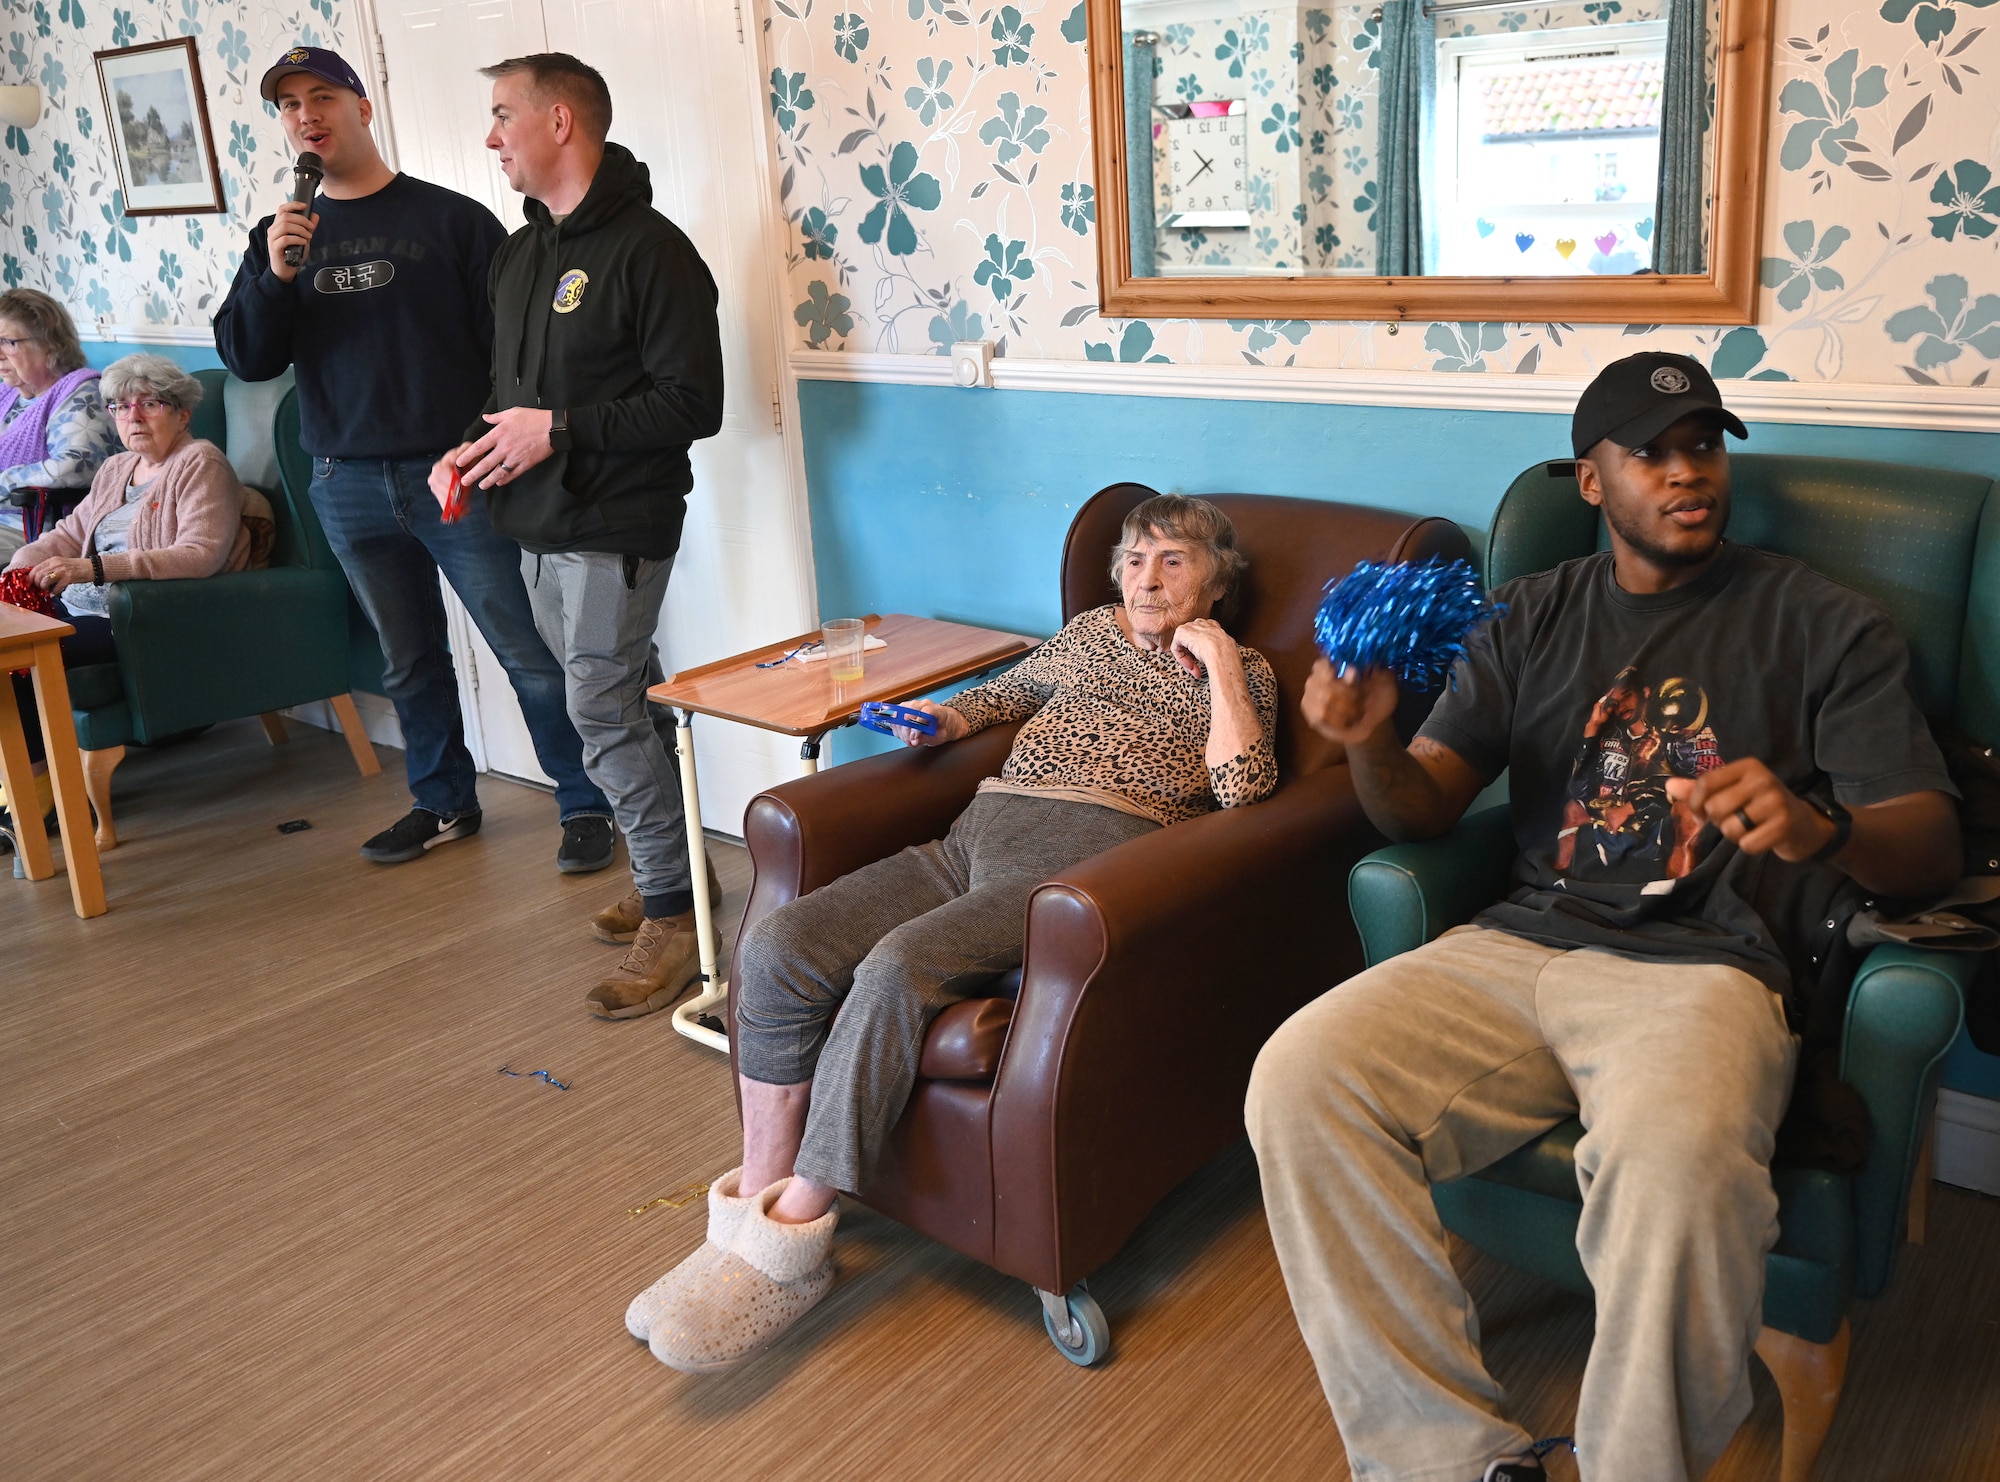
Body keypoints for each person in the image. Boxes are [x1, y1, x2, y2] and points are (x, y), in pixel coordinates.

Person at [1245, 353, 1961, 1482]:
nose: (1688, 475)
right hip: (1516, 946)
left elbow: (1927, 842)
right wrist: (1368, 742)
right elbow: (1423, 806)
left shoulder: (1821, 623)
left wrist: (1818, 830)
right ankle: (1448, 1462)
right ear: (1590, 483)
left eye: (1704, 447)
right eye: (1652, 453)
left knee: (1675, 1162)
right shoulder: (1529, 615)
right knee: (1297, 1077)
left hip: (1706, 972)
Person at [623, 494, 1281, 1374]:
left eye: (1173, 562)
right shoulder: (1087, 634)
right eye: (1132, 561)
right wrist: (944, 722)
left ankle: (791, 1242)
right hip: (973, 837)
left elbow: (1245, 792)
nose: (1145, 580)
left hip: (1079, 863)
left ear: (1218, 581)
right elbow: (1003, 696)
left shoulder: (1244, 671)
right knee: (779, 946)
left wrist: (1225, 669)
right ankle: (745, 1215)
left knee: (897, 967)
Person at [214, 45, 615, 872]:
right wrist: (275, 275)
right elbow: (248, 359)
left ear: (363, 106)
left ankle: (586, 805)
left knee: (529, 651)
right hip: (345, 483)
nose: (305, 116)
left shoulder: (453, 220)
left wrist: (483, 444)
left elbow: (514, 353)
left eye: (322, 95)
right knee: (410, 662)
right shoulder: (280, 238)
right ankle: (441, 803)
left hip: (458, 475)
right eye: (289, 106)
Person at [429, 52, 724, 1011]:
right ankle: (680, 876)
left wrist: (557, 428)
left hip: (617, 521)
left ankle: (675, 917)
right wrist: (466, 448)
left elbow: (694, 403)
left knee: (600, 713)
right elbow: (513, 401)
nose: (490, 136)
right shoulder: (520, 256)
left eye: (502, 114)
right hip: (536, 523)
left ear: (560, 122)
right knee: (619, 702)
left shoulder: (653, 250)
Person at [2, 354, 260, 806]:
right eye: (120, 407)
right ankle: (20, 781)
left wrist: (96, 569)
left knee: (14, 655)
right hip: (81, 603)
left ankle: (41, 795)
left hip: (136, 615)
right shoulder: (117, 467)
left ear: (182, 414)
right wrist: (20, 565)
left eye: (151, 404)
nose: (133, 417)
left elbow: (200, 555)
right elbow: (69, 533)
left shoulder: (201, 463)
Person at [0, 289, 120, 561]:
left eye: (8, 342)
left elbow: (76, 465)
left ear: (50, 344)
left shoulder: (81, 392)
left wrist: (7, 480)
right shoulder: (8, 393)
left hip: (37, 531)